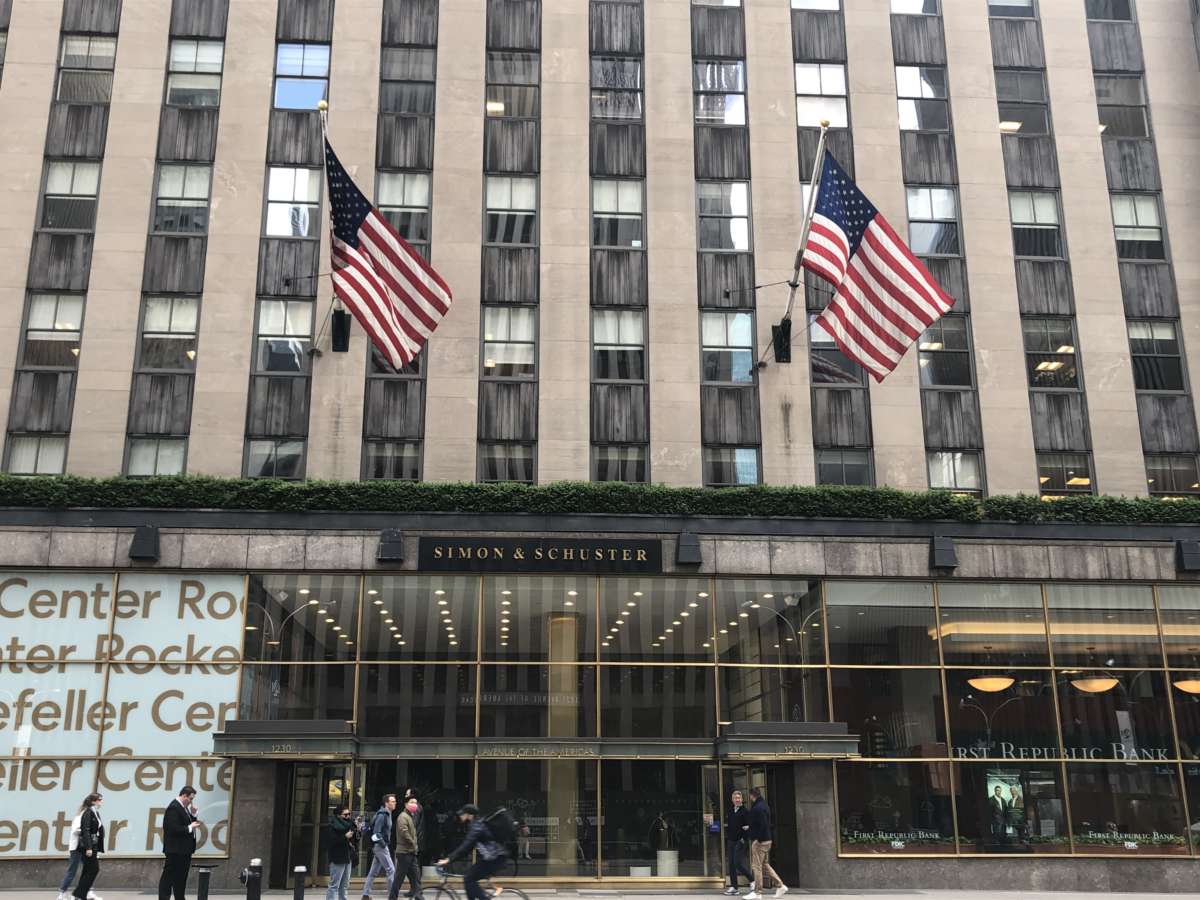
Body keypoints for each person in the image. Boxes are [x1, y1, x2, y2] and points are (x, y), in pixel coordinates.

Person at [436, 805, 509, 900]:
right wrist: (452, 858)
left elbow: (466, 846)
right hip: (492, 858)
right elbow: (468, 848)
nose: (460, 815)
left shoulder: (477, 827)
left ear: (469, 815)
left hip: (495, 858)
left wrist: (449, 859)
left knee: (469, 878)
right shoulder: (476, 825)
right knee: (469, 879)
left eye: (462, 813)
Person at [744, 788, 786, 900]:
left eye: (750, 796)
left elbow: (763, 825)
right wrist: (751, 827)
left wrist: (757, 839)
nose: (749, 798)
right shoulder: (764, 805)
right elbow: (762, 824)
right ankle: (780, 885)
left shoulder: (758, 808)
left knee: (756, 866)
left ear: (752, 796)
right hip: (767, 840)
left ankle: (757, 892)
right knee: (764, 865)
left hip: (761, 841)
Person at [158, 786, 199, 900]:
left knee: (181, 878)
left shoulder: (183, 807)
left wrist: (193, 815)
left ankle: (180, 897)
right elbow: (173, 828)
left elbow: (185, 823)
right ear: (184, 795)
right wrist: (190, 827)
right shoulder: (174, 807)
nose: (191, 801)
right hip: (175, 850)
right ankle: (164, 898)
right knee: (168, 877)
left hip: (183, 850)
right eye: (190, 798)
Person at [67, 793, 105, 900]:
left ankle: (79, 894)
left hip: (94, 845)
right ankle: (79, 894)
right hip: (88, 846)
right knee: (94, 869)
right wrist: (88, 848)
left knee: (88, 869)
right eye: (99, 800)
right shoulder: (88, 813)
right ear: (93, 801)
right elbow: (86, 830)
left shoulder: (95, 812)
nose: (101, 802)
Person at [362, 794, 398, 900]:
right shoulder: (382, 815)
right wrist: (383, 845)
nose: (394, 803)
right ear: (386, 803)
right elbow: (376, 833)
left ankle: (365, 894)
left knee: (373, 872)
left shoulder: (388, 814)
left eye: (395, 801)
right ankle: (392, 896)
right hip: (380, 846)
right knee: (391, 870)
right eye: (392, 801)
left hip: (379, 846)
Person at [390, 797, 423, 900]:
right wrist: (413, 843)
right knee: (399, 878)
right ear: (406, 804)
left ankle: (419, 896)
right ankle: (392, 898)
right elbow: (404, 832)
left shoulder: (410, 816)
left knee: (416, 877)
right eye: (412, 802)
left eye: (416, 803)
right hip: (404, 852)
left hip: (410, 852)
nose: (414, 804)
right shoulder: (403, 817)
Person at [724, 790, 753, 895]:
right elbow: (730, 824)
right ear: (732, 800)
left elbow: (749, 827)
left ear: (742, 799)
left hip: (740, 841)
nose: (737, 800)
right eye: (735, 798)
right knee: (731, 864)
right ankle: (734, 887)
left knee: (737, 863)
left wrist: (743, 839)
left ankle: (752, 880)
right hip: (731, 840)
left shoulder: (745, 811)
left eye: (739, 798)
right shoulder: (730, 811)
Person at [327, 806, 358, 900]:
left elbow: (355, 840)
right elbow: (332, 842)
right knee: (334, 885)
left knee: (344, 885)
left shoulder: (350, 824)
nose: (348, 816)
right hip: (337, 857)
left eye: (349, 814)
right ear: (338, 815)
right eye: (345, 814)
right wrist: (345, 837)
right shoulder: (332, 825)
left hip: (347, 856)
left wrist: (357, 830)